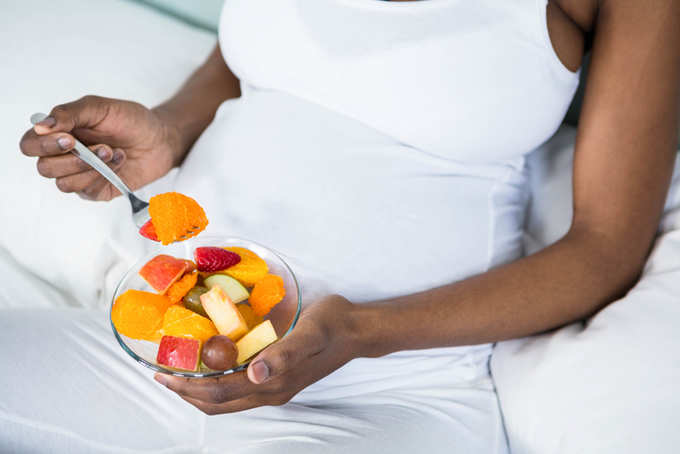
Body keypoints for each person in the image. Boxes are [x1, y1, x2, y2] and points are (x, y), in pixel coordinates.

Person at [9, 0, 679, 452]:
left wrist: (359, 332)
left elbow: (603, 248)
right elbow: (246, 62)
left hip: (387, 395)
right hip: (157, 357)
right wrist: (169, 130)